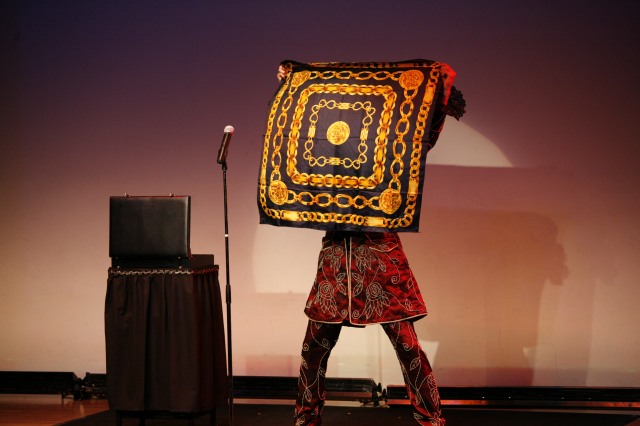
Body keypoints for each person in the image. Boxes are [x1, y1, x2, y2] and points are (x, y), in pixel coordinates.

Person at [276, 62, 465, 426]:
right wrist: (293, 87)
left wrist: (437, 96)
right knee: (313, 347)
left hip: (380, 255)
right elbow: (298, 137)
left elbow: (420, 139)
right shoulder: (329, 158)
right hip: (336, 258)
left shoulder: (390, 153)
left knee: (407, 345)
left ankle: (431, 419)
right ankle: (306, 418)